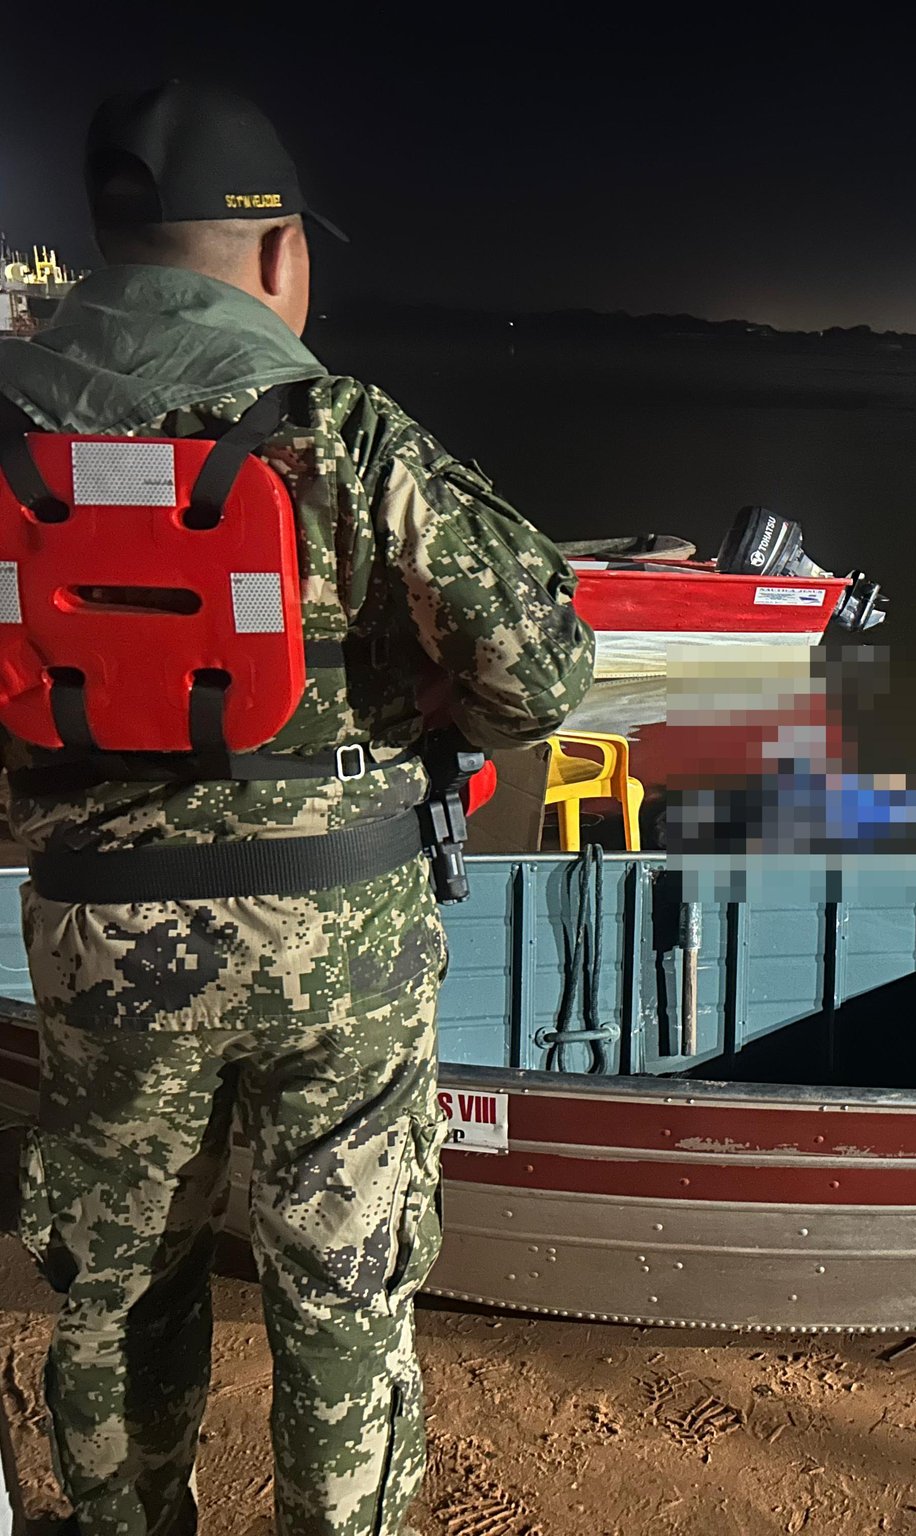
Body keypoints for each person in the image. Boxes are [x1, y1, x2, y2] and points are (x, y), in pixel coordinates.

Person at [0, 81, 593, 1535]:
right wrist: (443, 709)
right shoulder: (344, 432)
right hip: (342, 942)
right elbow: (546, 664)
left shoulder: (12, 427)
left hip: (101, 943)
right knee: (345, 1291)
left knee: (119, 1289)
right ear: (276, 259)